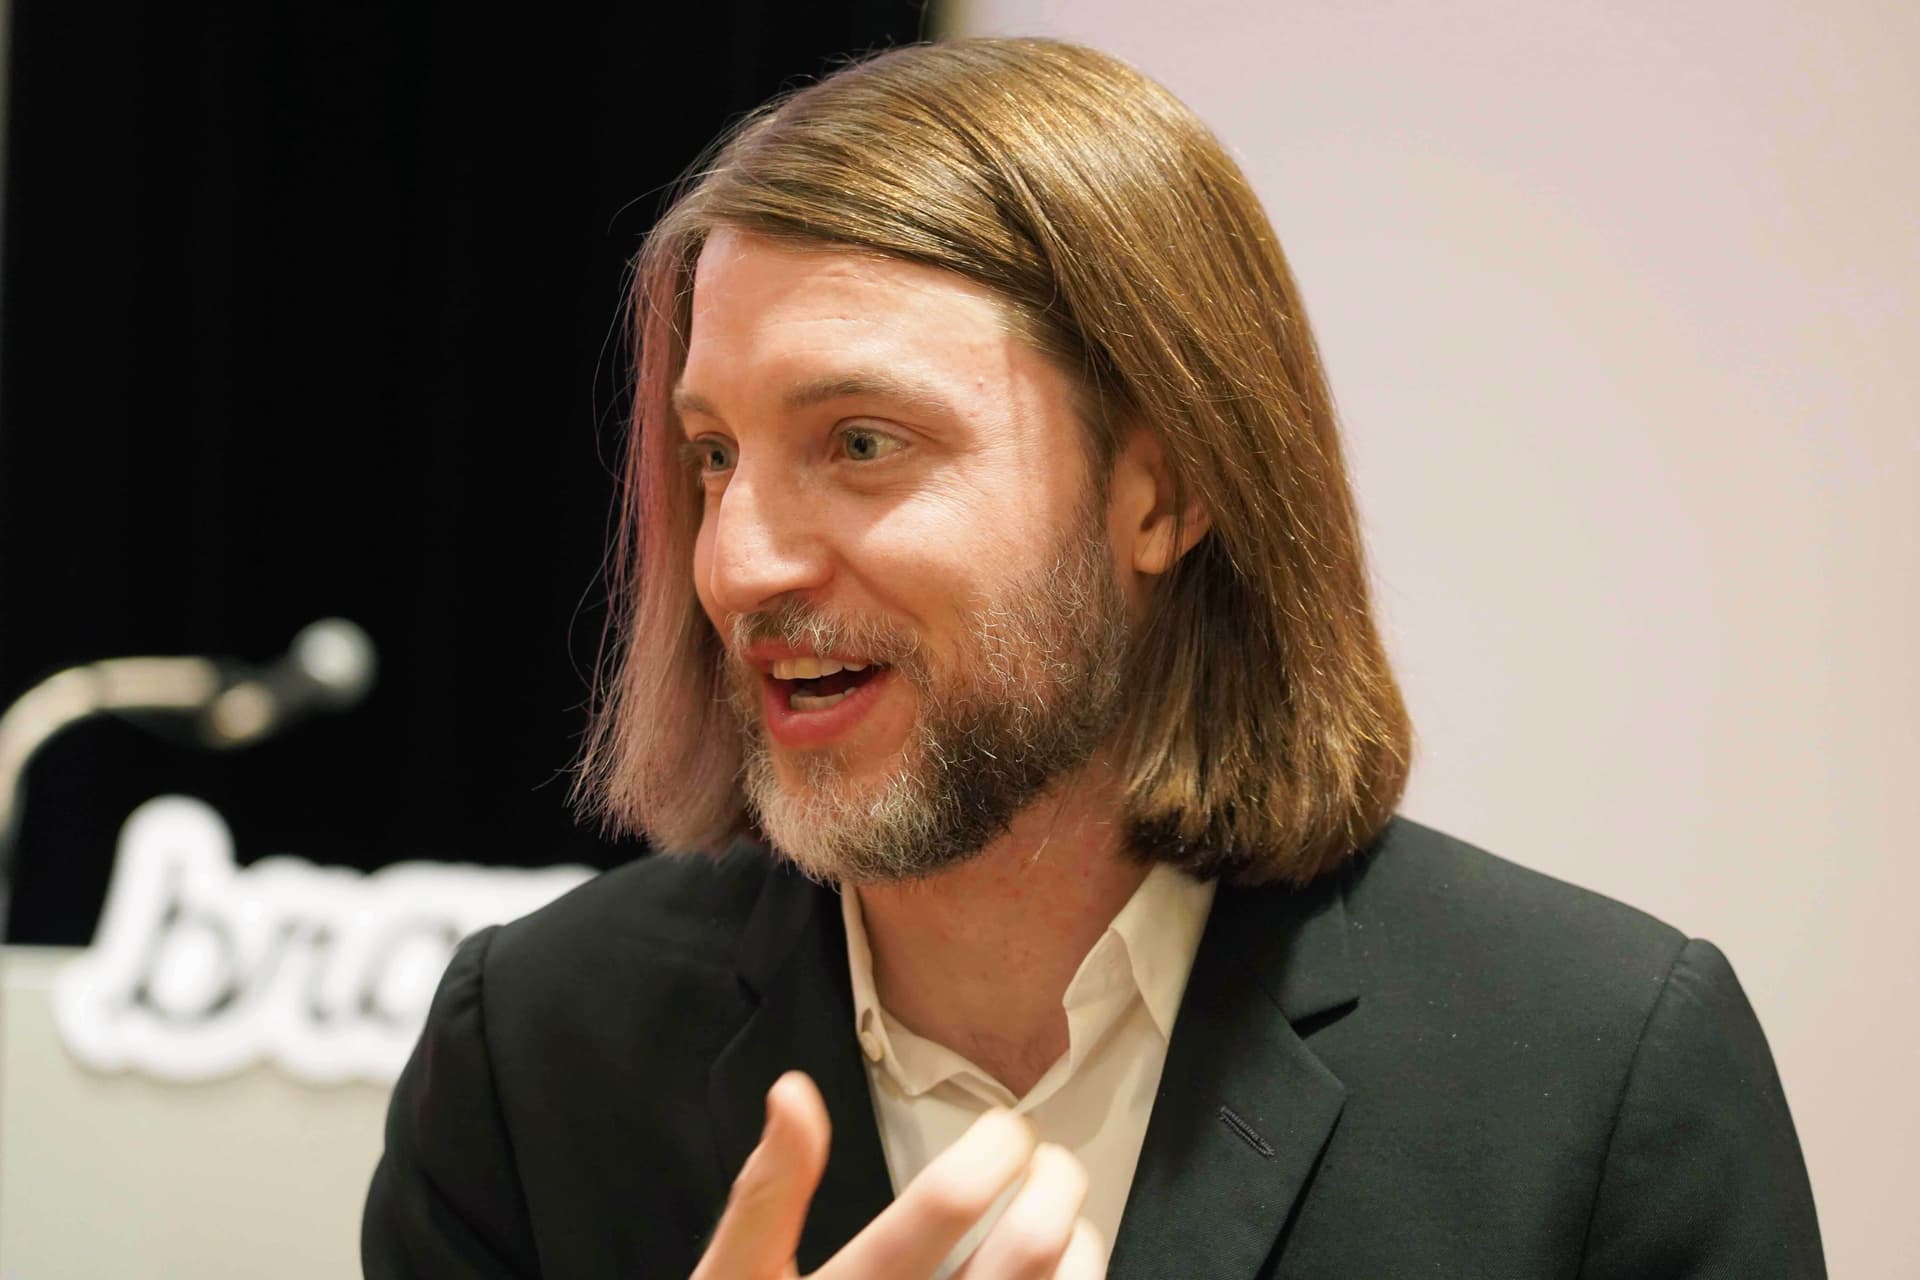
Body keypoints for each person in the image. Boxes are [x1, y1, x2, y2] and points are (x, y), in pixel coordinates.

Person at [362, 37, 1825, 1279]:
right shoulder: (536, 1060)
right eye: (714, 456)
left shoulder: (1598, 1072)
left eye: (861, 444)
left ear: (1163, 487)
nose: (739, 562)